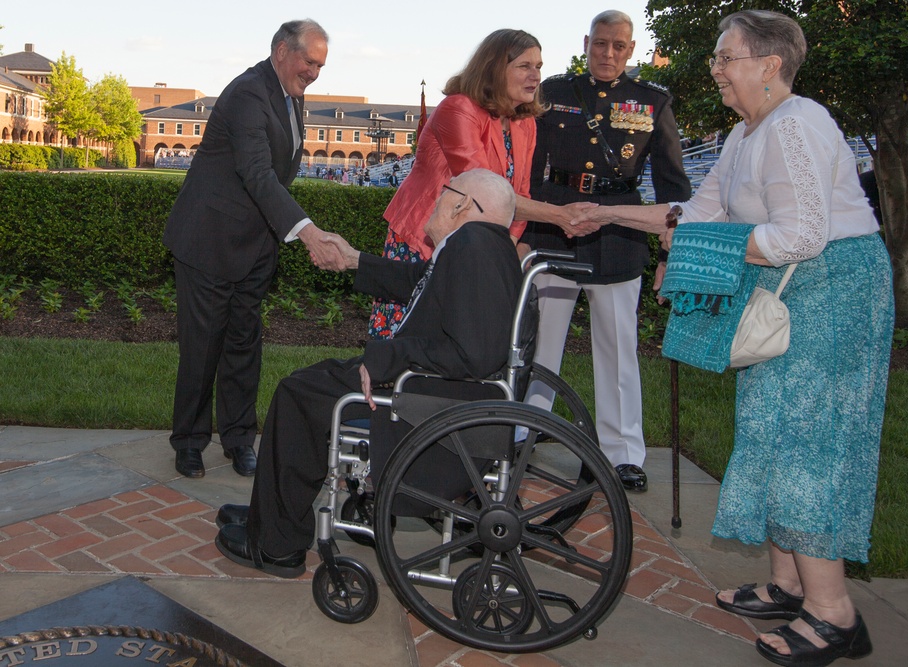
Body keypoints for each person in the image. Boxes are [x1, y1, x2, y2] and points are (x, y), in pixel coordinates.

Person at [571, 10, 893, 666]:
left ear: (770, 65)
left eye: (726, 57)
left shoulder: (797, 125)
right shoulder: (750, 133)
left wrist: (713, 245)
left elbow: (801, 235)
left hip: (834, 292)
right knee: (769, 428)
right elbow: (697, 212)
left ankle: (834, 614)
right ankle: (789, 583)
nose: (715, 69)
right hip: (789, 289)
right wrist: (606, 211)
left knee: (806, 440)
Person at [214, 169, 524, 577]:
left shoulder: (472, 247)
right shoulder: (479, 246)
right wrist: (354, 259)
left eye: (444, 190)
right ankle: (271, 512)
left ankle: (276, 544)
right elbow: (421, 284)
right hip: (425, 384)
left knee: (297, 394)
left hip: (420, 398)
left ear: (462, 204)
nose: (435, 195)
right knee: (311, 383)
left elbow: (476, 355)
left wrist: (388, 359)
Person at [517, 10, 691, 492]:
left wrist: (672, 248)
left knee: (618, 349)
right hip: (556, 220)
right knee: (540, 341)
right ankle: (523, 433)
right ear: (586, 42)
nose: (608, 54)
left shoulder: (652, 101)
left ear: (631, 50)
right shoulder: (553, 92)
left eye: (618, 46)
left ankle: (622, 454)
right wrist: (527, 229)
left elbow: (673, 181)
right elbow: (529, 164)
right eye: (600, 44)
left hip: (620, 229)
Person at [162, 19, 342, 480]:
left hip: (256, 245)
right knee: (202, 348)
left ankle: (239, 438)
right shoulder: (247, 94)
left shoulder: (290, 95)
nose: (315, 73)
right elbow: (258, 174)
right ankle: (188, 441)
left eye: (321, 65)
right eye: (309, 62)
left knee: (245, 343)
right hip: (208, 242)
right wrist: (307, 231)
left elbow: (275, 175)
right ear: (282, 50)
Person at [368, 28, 544, 339]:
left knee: (454, 338)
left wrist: (505, 247)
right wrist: (561, 215)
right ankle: (382, 385)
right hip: (423, 237)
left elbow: (521, 193)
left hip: (474, 248)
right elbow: (485, 191)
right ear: (494, 67)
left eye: (539, 67)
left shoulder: (525, 123)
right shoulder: (459, 108)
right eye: (524, 66)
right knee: (401, 332)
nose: (535, 75)